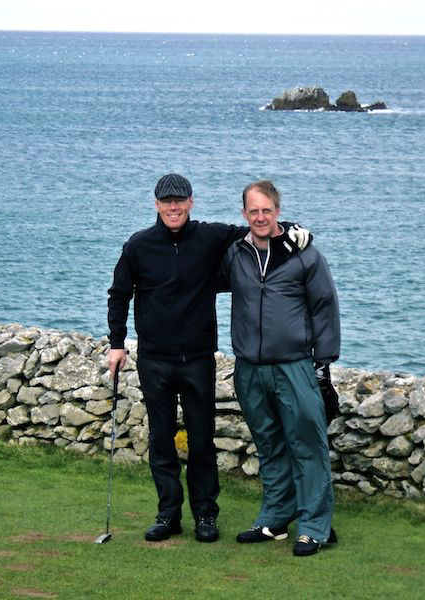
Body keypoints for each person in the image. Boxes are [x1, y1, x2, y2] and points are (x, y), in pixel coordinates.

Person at [107, 173, 309, 543]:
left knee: (201, 440)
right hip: (154, 359)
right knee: (161, 439)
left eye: (179, 200)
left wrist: (293, 229)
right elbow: (119, 294)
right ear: (156, 204)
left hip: (198, 358)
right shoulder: (138, 245)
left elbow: (258, 227)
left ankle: (205, 514)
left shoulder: (209, 237)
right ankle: (168, 515)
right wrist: (117, 343)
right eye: (166, 201)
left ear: (191, 202)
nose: (173, 207)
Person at [219, 180, 339, 556]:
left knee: (307, 445)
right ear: (244, 214)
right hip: (249, 368)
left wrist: (323, 366)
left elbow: (324, 307)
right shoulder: (234, 254)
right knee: (269, 445)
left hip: (294, 365)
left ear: (278, 212)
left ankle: (314, 526)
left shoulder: (304, 255)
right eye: (253, 211)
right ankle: (275, 517)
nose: (260, 217)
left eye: (266, 210)